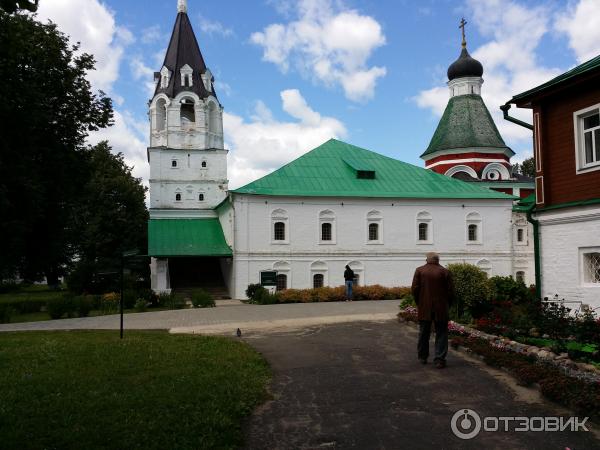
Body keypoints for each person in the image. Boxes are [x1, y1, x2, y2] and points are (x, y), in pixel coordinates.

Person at [411, 252, 454, 369]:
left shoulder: (420, 270)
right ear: (438, 260)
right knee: (441, 333)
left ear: (427, 260)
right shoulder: (445, 272)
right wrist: (447, 304)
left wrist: (419, 302)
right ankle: (439, 359)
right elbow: (450, 292)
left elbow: (415, 289)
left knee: (424, 332)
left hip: (425, 307)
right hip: (441, 308)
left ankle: (423, 357)